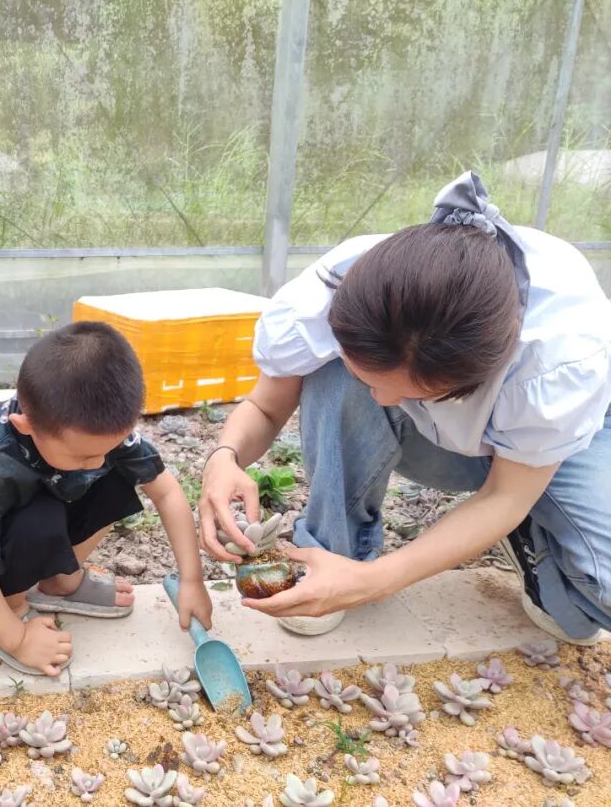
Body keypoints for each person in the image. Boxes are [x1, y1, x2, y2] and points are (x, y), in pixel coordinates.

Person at [198, 172, 611, 644]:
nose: (385, 404)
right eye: (369, 379)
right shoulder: (333, 293)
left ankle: (529, 540)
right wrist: (223, 457)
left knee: (591, 603)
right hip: (453, 438)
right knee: (332, 371)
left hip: (553, 444)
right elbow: (266, 408)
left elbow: (506, 495)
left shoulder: (558, 360)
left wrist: (378, 583)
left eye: (414, 394)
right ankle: (337, 551)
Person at [0, 321, 213, 676]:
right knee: (38, 520)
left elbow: (166, 492)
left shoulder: (91, 434)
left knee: (116, 475)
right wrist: (17, 639)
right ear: (27, 426)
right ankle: (7, 611)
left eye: (109, 447)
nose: (98, 461)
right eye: (85, 456)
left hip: (45, 511)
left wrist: (192, 580)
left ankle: (59, 581)